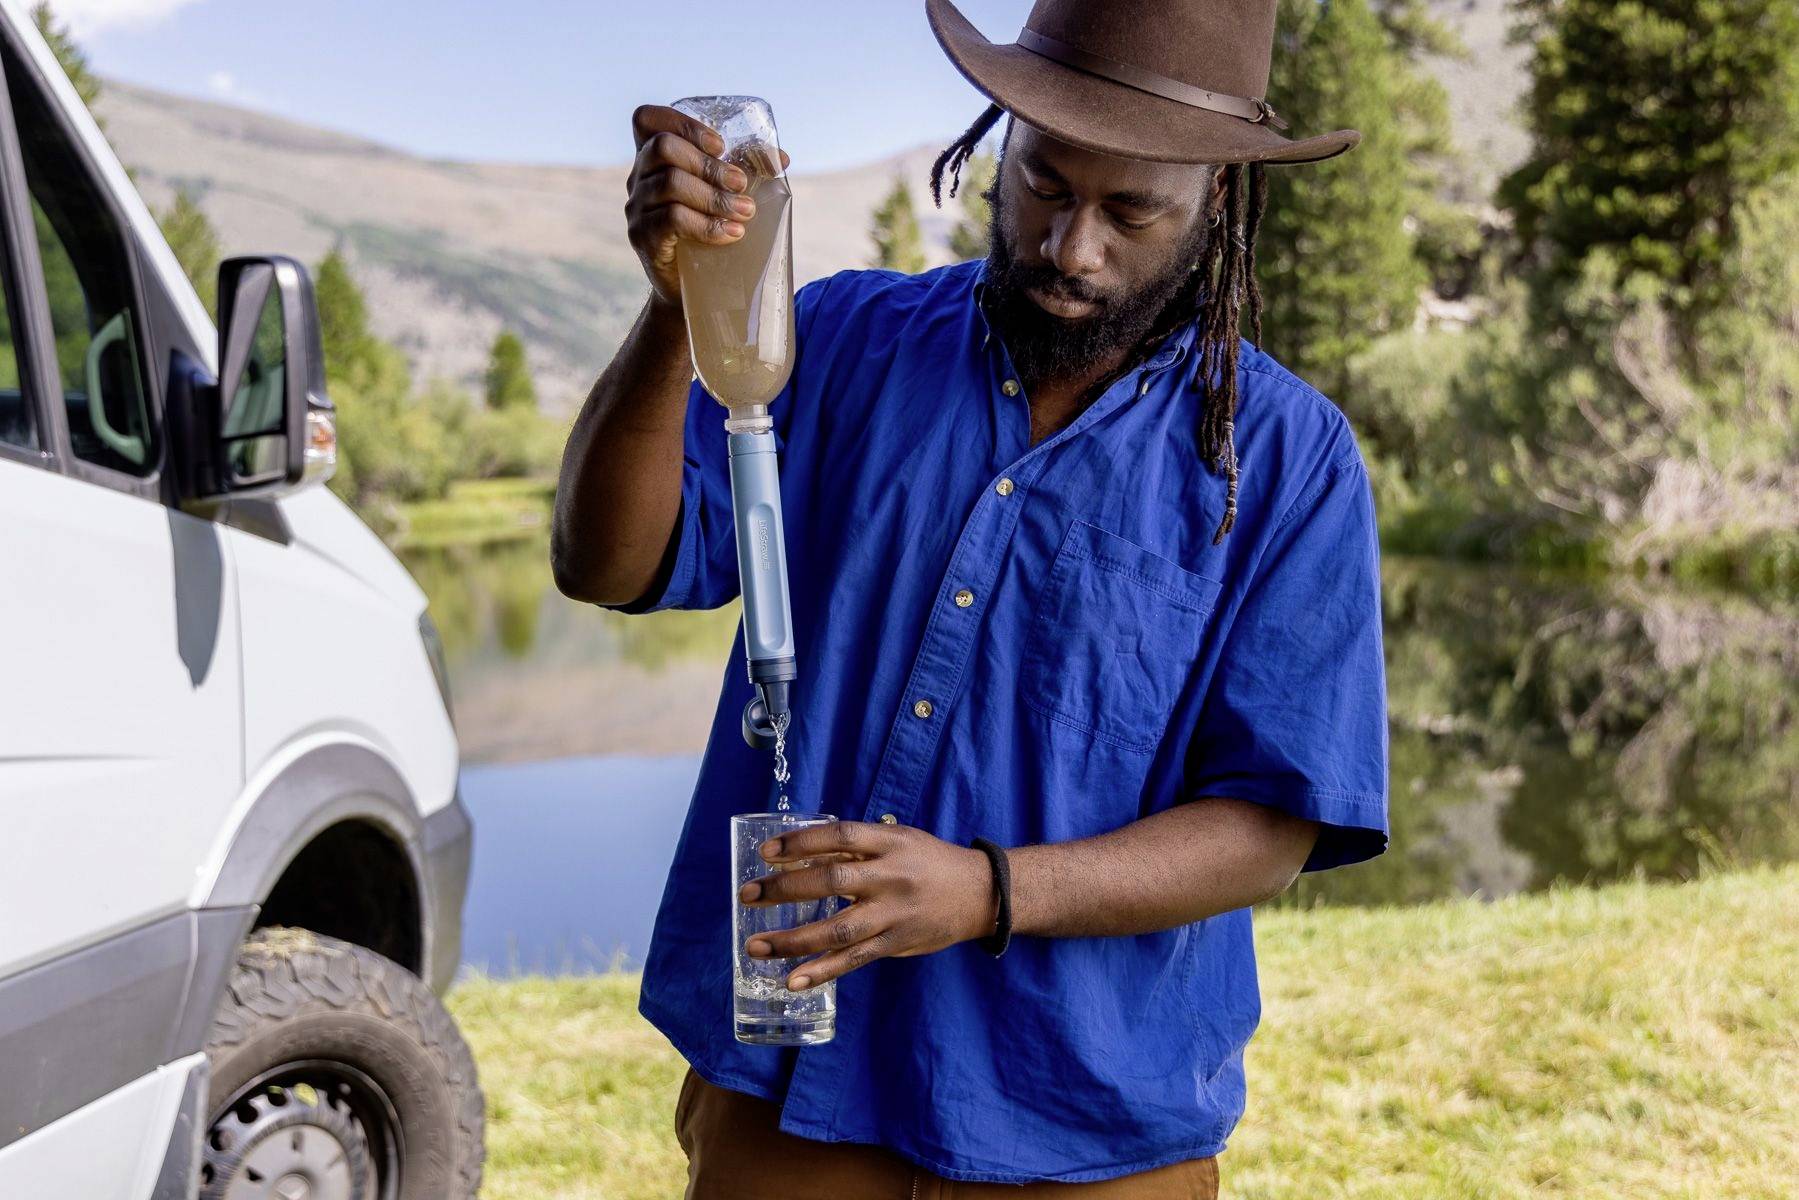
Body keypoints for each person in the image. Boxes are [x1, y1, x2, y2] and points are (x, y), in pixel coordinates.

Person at [553, 1, 1388, 1194]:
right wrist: (673, 304)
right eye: (1045, 186)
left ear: (1217, 203)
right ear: (1001, 141)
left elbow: (1270, 827)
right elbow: (607, 562)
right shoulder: (835, 342)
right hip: (789, 1096)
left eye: (1130, 212)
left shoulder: (1288, 461)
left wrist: (985, 892)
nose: (1071, 249)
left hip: (1088, 1126)